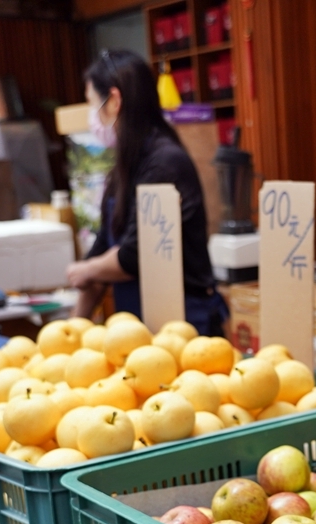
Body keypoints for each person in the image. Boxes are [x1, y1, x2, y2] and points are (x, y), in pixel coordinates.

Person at [66, 50, 227, 336]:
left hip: (184, 325)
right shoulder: (124, 167)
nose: (93, 118)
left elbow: (134, 255)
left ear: (114, 101)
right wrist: (69, 335)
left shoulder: (165, 163)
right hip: (138, 329)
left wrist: (88, 269)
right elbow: (104, 245)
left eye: (93, 104)